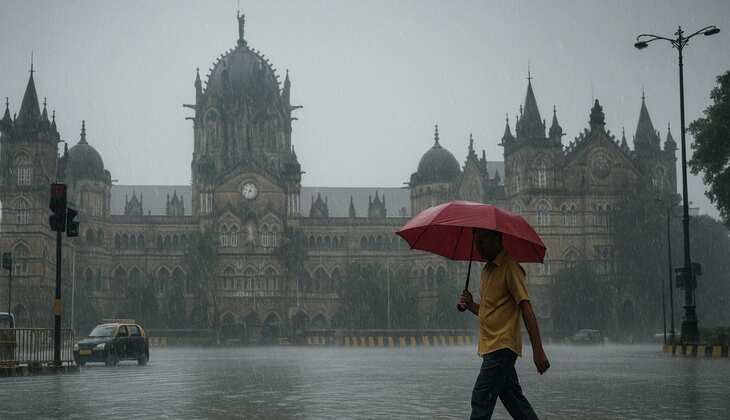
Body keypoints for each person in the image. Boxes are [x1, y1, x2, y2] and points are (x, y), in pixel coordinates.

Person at [459, 228, 549, 420]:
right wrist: (471, 305)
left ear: (496, 239)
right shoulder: (486, 271)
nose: (478, 248)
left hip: (502, 347)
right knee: (513, 400)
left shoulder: (511, 268)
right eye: (476, 243)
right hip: (490, 347)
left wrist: (538, 350)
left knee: (481, 398)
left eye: (482, 242)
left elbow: (526, 308)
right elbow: (488, 311)